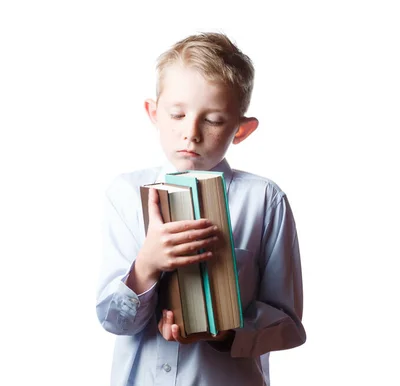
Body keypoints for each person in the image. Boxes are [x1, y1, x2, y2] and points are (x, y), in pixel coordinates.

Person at [95, 32, 306, 385]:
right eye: (177, 114)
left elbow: (288, 326)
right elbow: (114, 321)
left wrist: (223, 334)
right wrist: (146, 266)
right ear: (153, 113)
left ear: (242, 129)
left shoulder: (264, 200)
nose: (190, 132)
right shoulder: (125, 194)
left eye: (213, 120)